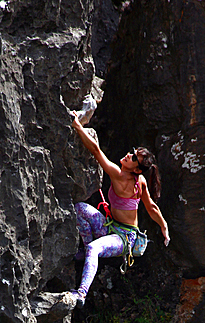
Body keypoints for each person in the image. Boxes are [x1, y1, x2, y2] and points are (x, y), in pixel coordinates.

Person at [67, 113, 170, 307]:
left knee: (93, 249)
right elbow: (151, 207)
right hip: (110, 227)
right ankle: (84, 252)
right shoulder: (138, 179)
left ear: (137, 169)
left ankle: (81, 293)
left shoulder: (122, 176)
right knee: (79, 209)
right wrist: (164, 226)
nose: (128, 155)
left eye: (133, 157)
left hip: (124, 239)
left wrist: (78, 127)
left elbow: (96, 151)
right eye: (132, 151)